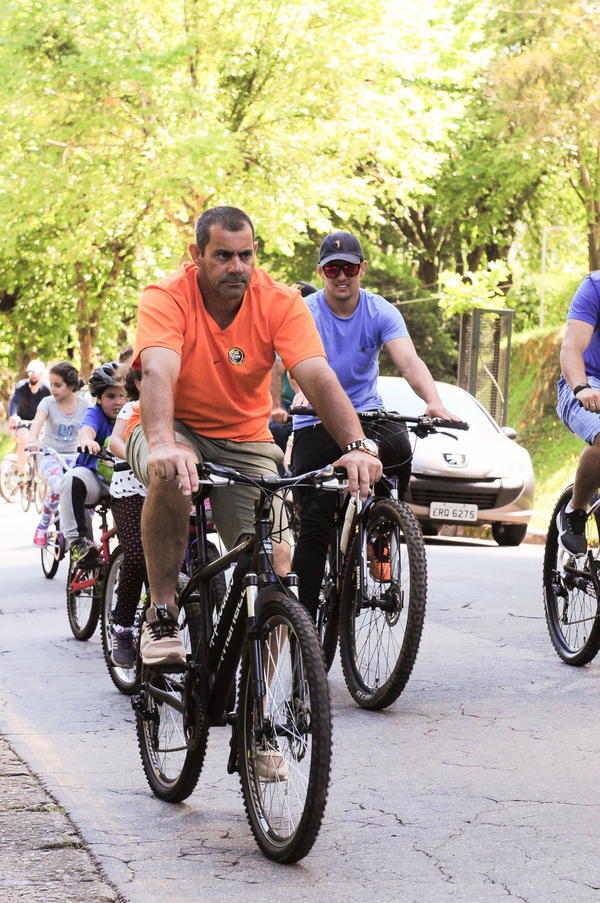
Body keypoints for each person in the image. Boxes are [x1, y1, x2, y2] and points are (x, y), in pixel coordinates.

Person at [126, 205, 382, 671]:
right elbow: (159, 371)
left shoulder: (278, 301)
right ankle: (161, 611)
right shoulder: (167, 296)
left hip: (246, 439)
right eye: (223, 256)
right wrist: (163, 440)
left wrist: (356, 444)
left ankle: (258, 710)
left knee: (277, 563)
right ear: (196, 254)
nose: (237, 267)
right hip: (174, 426)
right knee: (170, 472)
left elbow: (316, 374)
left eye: (245, 255)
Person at [291, 230, 459, 619]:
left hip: (367, 414)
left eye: (349, 267)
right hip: (316, 418)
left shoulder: (381, 310)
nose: (341, 276)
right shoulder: (306, 311)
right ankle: (305, 628)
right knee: (315, 524)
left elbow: (410, 362)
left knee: (400, 445)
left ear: (361, 268)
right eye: (332, 269)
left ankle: (382, 522)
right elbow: (295, 364)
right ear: (320, 272)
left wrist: (433, 402)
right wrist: (300, 391)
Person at [59, 363, 127, 565]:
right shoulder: (94, 413)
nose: (117, 402)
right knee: (71, 479)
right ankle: (78, 543)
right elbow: (86, 430)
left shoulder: (133, 413)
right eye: (110, 396)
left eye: (122, 395)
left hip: (126, 482)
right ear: (99, 398)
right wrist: (87, 441)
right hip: (96, 481)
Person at [556, 270, 600, 556]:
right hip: (589, 382)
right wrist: (581, 387)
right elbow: (572, 346)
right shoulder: (595, 287)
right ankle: (575, 510)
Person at [107, 366, 147, 668]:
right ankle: (123, 627)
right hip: (131, 490)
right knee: (136, 557)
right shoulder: (132, 408)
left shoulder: (183, 408)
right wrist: (137, 457)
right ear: (136, 383)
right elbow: (115, 441)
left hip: (171, 489)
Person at [25, 362, 88, 546]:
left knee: (86, 490)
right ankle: (43, 525)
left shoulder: (84, 404)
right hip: (49, 453)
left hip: (75, 456)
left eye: (57, 385)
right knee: (59, 486)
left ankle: (84, 530)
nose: (52, 389)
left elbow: (91, 428)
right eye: (51, 384)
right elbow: (37, 423)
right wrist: (32, 440)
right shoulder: (47, 403)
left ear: (71, 386)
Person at [268, 282, 318, 471]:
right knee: (277, 432)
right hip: (286, 403)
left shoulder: (319, 326)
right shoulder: (283, 327)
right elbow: (278, 368)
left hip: (311, 401)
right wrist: (275, 407)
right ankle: (276, 483)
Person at [8, 359, 51, 481]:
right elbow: (14, 402)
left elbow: (53, 405)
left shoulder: (47, 389)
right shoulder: (21, 386)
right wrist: (13, 415)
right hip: (23, 422)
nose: (32, 377)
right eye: (30, 374)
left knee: (44, 444)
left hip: (40, 422)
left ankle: (40, 472)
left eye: (35, 374)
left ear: (41, 375)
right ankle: (22, 474)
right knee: (24, 439)